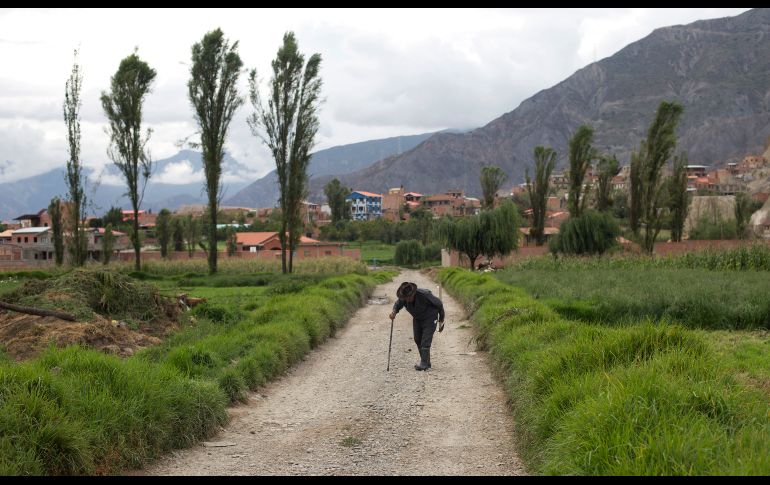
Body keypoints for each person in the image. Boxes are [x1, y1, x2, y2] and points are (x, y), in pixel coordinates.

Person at [389, 281, 445, 371]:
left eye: (409, 297)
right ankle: (427, 362)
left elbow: (439, 304)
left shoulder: (424, 294)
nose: (407, 299)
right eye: (405, 298)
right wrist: (394, 312)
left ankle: (423, 364)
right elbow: (397, 304)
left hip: (430, 317)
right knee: (417, 339)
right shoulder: (404, 297)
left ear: (413, 293)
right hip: (418, 318)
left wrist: (441, 319)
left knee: (425, 339)